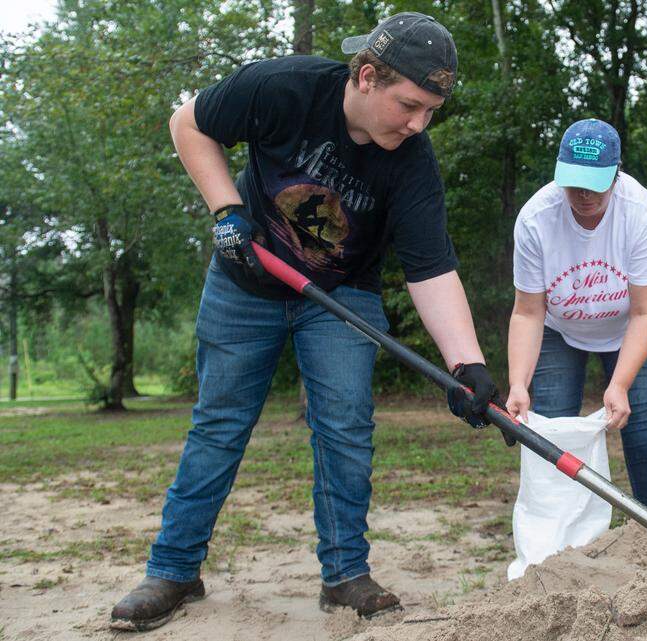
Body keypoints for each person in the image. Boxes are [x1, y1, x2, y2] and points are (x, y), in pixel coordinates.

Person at [110, 12, 503, 631]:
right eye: (410, 105)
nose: (418, 123)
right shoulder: (284, 87)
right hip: (244, 288)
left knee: (346, 428)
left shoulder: (412, 162)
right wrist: (227, 209)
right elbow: (187, 122)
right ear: (367, 76)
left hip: (342, 298)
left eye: (431, 111)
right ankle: (173, 570)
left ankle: (346, 576)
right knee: (218, 426)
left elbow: (431, 269)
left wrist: (466, 363)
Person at [505, 118, 647, 509]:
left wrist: (619, 383)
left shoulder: (641, 212)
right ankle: (556, 530)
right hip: (557, 331)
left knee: (642, 421)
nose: (583, 193)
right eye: (574, 180)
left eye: (595, 182)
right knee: (551, 430)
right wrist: (517, 383)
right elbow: (528, 312)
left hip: (628, 326)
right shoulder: (535, 219)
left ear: (616, 174)